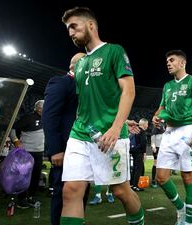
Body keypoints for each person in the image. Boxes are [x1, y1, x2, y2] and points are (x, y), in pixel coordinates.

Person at [60, 7, 143, 225]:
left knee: (120, 191)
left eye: (73, 26)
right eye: (68, 28)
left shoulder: (114, 51)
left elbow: (128, 91)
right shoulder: (80, 64)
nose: (70, 32)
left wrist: (117, 127)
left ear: (91, 25)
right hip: (80, 133)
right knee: (71, 190)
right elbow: (89, 103)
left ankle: (138, 220)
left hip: (109, 135)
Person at [153, 50, 192, 225]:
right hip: (168, 132)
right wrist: (156, 116)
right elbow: (161, 108)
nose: (168, 63)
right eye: (167, 60)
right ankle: (181, 208)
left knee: (188, 176)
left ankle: (188, 221)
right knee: (161, 177)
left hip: (187, 131)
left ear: (182, 63)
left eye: (172, 60)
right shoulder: (167, 86)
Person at [42, 52, 91, 225]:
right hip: (64, 149)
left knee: (81, 192)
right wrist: (55, 150)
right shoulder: (61, 82)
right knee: (63, 193)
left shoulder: (85, 89)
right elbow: (49, 117)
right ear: (75, 66)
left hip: (84, 149)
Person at [10, 100, 44, 209]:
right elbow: (12, 127)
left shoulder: (48, 118)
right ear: (38, 108)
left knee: (35, 176)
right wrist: (16, 140)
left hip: (39, 152)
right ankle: (21, 199)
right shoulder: (28, 118)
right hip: (27, 151)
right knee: (23, 176)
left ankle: (31, 197)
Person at [130, 118, 148, 192]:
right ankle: (135, 185)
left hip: (133, 151)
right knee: (138, 169)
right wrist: (144, 153)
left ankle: (132, 184)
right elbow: (143, 143)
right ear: (144, 124)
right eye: (147, 124)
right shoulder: (142, 131)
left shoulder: (135, 130)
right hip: (139, 152)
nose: (147, 126)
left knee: (134, 168)